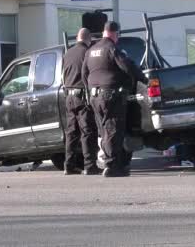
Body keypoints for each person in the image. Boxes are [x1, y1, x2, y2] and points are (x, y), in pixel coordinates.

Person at [82, 22, 148, 177]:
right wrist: (143, 79)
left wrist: (90, 91)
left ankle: (110, 162)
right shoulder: (112, 48)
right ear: (114, 33)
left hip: (94, 96)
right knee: (113, 130)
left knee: (104, 131)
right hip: (110, 95)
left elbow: (84, 74)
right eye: (118, 35)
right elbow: (127, 66)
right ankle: (112, 166)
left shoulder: (91, 50)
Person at [62, 28, 102, 176]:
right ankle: (90, 166)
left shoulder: (68, 53)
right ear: (89, 39)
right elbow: (89, 74)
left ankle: (69, 166)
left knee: (72, 133)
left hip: (69, 96)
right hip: (81, 96)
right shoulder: (87, 52)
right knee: (88, 131)